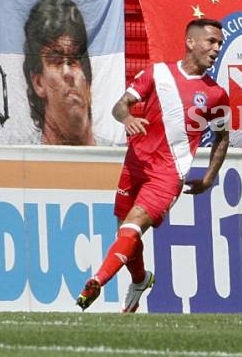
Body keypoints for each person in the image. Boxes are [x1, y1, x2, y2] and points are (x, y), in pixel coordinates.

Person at [76, 18, 231, 312]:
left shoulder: (216, 94)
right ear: (191, 42)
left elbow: (223, 137)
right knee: (126, 232)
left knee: (133, 228)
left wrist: (209, 178)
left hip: (168, 174)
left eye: (220, 44)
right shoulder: (157, 74)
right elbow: (120, 105)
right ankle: (140, 278)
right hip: (135, 164)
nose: (216, 49)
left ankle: (97, 280)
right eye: (211, 42)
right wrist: (128, 118)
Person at [23, 0, 96, 145]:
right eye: (56, 61)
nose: (67, 73)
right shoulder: (17, 156)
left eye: (74, 60)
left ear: (87, 78)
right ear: (38, 82)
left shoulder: (114, 158)